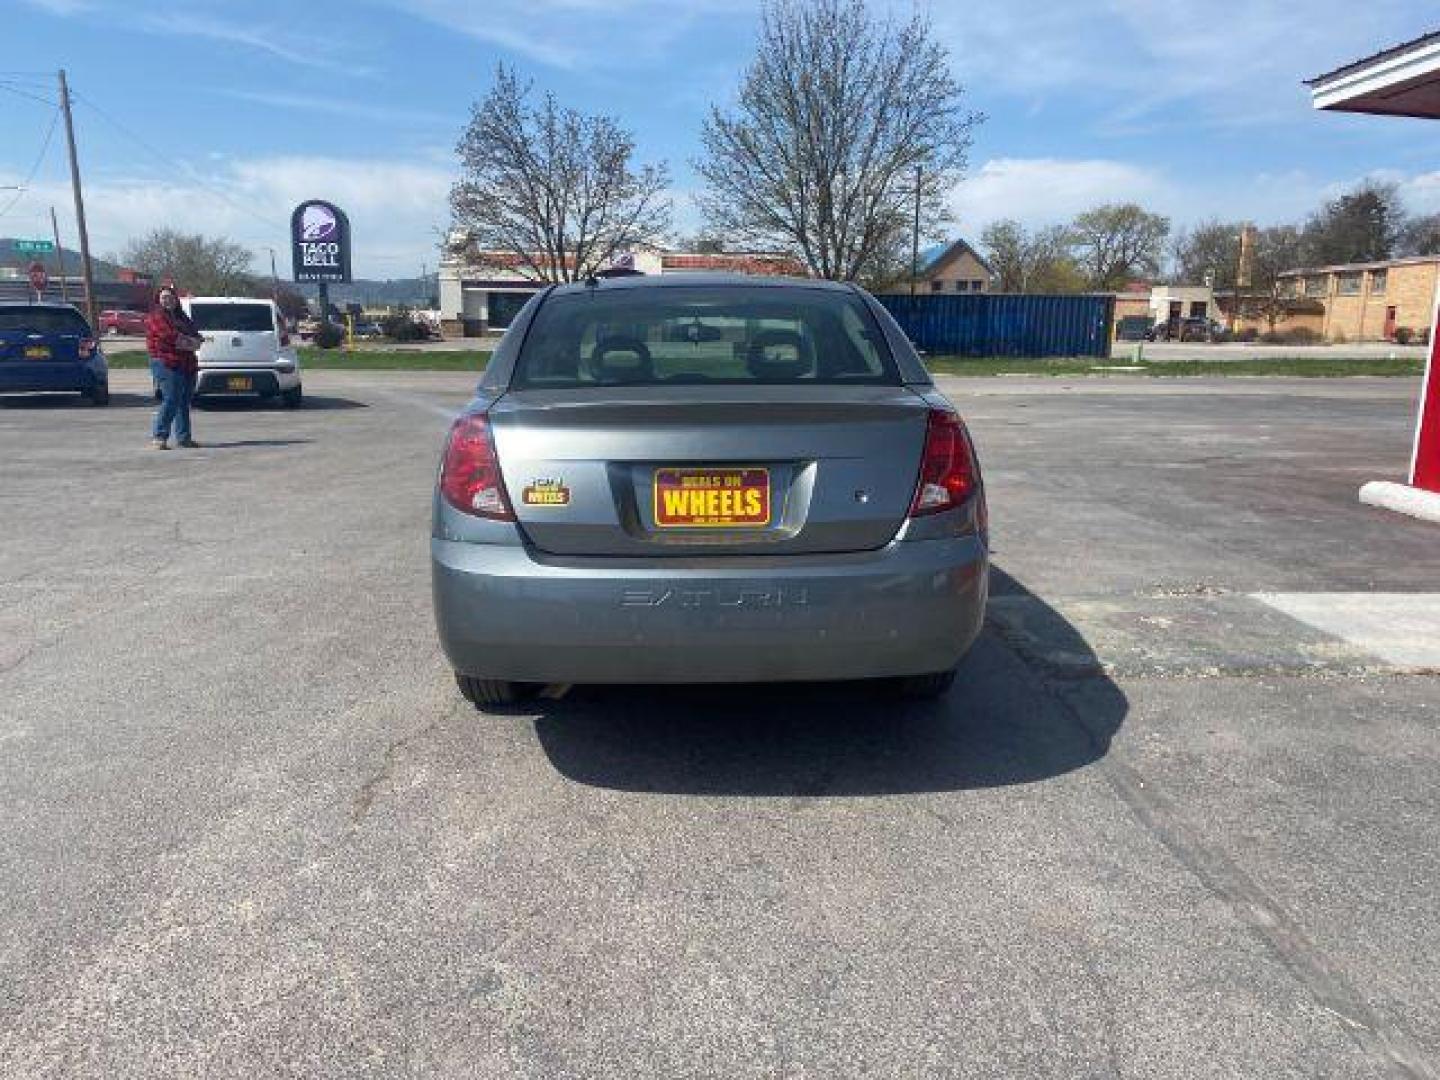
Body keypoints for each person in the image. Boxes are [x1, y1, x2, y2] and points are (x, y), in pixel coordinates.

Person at [147, 286, 204, 449]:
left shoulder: (182, 317)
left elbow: (196, 334)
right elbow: (168, 336)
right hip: (166, 362)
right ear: (158, 299)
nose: (168, 300)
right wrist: (190, 341)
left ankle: (184, 438)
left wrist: (195, 340)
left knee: (184, 401)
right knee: (171, 399)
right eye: (164, 297)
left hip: (186, 363)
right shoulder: (155, 317)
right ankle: (159, 436)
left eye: (171, 297)